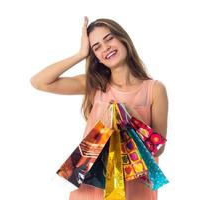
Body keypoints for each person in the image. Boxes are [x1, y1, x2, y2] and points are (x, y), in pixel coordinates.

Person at [30, 16, 169, 200]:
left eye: (109, 38)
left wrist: (131, 115)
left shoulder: (154, 90)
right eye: (96, 47)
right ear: (94, 56)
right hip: (92, 188)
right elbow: (39, 82)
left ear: (123, 38)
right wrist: (80, 54)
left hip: (135, 188)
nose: (106, 48)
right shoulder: (96, 85)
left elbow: (158, 150)